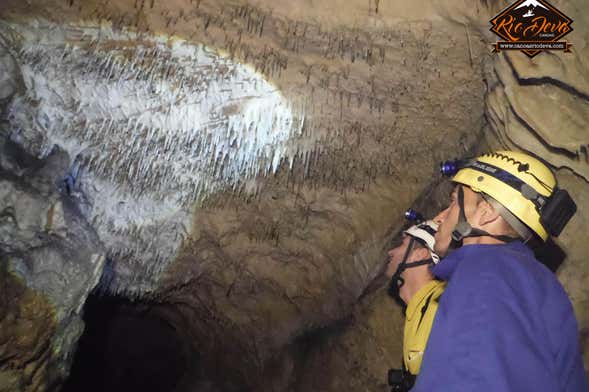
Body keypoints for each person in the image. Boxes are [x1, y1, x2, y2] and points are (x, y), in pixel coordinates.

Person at [413, 150, 587, 391]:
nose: (440, 217)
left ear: (487, 213)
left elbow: (469, 381)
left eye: (453, 201)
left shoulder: (483, 274)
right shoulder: (545, 285)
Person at [385, 219, 446, 391]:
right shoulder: (418, 310)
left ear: (420, 254)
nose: (391, 251)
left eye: (402, 244)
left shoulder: (440, 307)